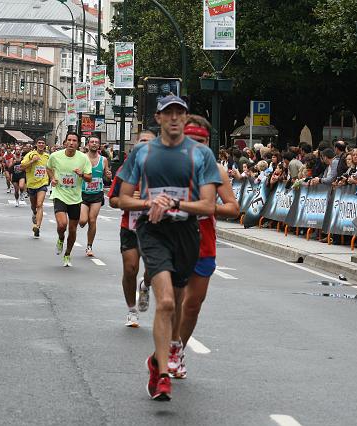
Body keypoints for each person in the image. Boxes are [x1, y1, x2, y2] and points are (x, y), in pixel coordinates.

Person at [117, 95, 221, 401]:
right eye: (168, 113)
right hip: (153, 231)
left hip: (187, 232)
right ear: (159, 118)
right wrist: (150, 202)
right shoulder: (143, 152)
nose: (174, 118)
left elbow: (207, 205)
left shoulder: (201, 155)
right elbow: (122, 199)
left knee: (175, 302)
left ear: (185, 118)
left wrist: (175, 202)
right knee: (164, 303)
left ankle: (156, 360)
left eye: (180, 113)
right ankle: (162, 374)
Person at [169, 115, 240, 379]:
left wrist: (208, 207)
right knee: (174, 301)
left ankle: (177, 350)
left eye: (202, 141)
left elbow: (234, 208)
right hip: (172, 239)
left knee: (193, 304)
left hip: (203, 241)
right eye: (191, 140)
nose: (196, 146)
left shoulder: (216, 170)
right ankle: (169, 347)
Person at [107, 130, 155, 327]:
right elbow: (112, 200)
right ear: (136, 145)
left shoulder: (165, 170)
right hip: (131, 227)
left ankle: (145, 285)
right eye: (142, 141)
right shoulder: (125, 171)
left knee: (152, 270)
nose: (145, 144)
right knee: (130, 268)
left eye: (150, 142)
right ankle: (131, 310)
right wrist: (127, 201)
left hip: (156, 228)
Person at [46, 132, 92, 267]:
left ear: (78, 144)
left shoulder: (83, 158)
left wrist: (81, 174)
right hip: (59, 194)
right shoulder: (55, 156)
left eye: (74, 141)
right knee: (62, 225)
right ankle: (60, 238)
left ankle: (67, 254)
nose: (71, 143)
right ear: (65, 142)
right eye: (69, 140)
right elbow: (48, 168)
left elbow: (89, 178)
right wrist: (52, 178)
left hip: (75, 198)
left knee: (72, 230)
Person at [79, 136, 112, 257]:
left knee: (92, 220)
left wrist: (108, 175)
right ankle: (81, 221)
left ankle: (89, 246)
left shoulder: (103, 160)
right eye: (92, 142)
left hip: (97, 194)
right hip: (83, 193)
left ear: (99, 146)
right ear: (88, 144)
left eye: (96, 142)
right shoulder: (82, 158)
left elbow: (107, 177)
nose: (94, 144)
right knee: (83, 221)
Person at [21, 137, 50, 238]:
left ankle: (37, 226)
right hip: (32, 185)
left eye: (43, 143)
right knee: (34, 207)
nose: (41, 145)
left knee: (40, 204)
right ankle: (34, 213)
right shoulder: (30, 155)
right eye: (39, 143)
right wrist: (32, 161)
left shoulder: (47, 157)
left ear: (45, 145)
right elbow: (22, 167)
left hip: (43, 183)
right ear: (36, 144)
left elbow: (51, 169)